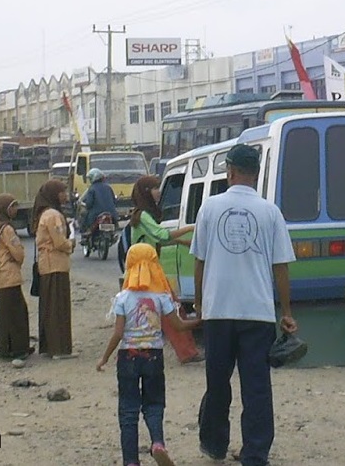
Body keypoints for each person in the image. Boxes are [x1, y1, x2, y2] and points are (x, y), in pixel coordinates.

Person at [190, 144, 297, 466]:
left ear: (231, 171)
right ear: (256, 173)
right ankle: (255, 453)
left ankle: (214, 445)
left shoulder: (209, 207)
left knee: (217, 383)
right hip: (257, 313)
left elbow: (200, 261)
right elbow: (281, 265)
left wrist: (198, 304)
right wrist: (287, 313)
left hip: (218, 311)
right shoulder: (270, 212)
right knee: (257, 387)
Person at [97, 243, 203, 466]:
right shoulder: (161, 297)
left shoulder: (123, 298)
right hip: (154, 357)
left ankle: (131, 461)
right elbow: (180, 326)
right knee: (154, 404)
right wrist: (201, 320)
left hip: (127, 357)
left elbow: (117, 334)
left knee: (128, 410)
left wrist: (105, 357)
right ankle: (157, 443)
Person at [128, 175, 200, 364]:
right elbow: (161, 234)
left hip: (143, 270)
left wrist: (181, 242)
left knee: (149, 314)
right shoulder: (143, 215)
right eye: (154, 188)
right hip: (149, 270)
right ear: (146, 192)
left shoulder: (141, 215)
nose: (158, 191)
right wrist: (189, 228)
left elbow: (159, 238)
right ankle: (187, 352)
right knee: (172, 312)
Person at [33, 179, 76, 357]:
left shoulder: (44, 214)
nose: (65, 195)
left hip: (47, 265)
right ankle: (59, 349)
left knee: (49, 308)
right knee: (58, 308)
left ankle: (49, 347)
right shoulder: (53, 215)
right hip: (56, 266)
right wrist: (71, 244)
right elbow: (59, 242)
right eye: (62, 192)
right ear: (54, 194)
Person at [0, 193, 31, 362]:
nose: (15, 209)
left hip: (0, 275)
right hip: (9, 275)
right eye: (13, 206)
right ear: (5, 209)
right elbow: (17, 252)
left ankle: (5, 349)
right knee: (17, 314)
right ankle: (19, 349)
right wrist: (20, 257)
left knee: (6, 316)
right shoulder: (6, 229)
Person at [81, 168, 118, 238]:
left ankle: (85, 232)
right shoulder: (108, 187)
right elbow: (114, 201)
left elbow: (89, 204)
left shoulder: (92, 189)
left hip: (95, 215)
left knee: (84, 215)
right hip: (112, 214)